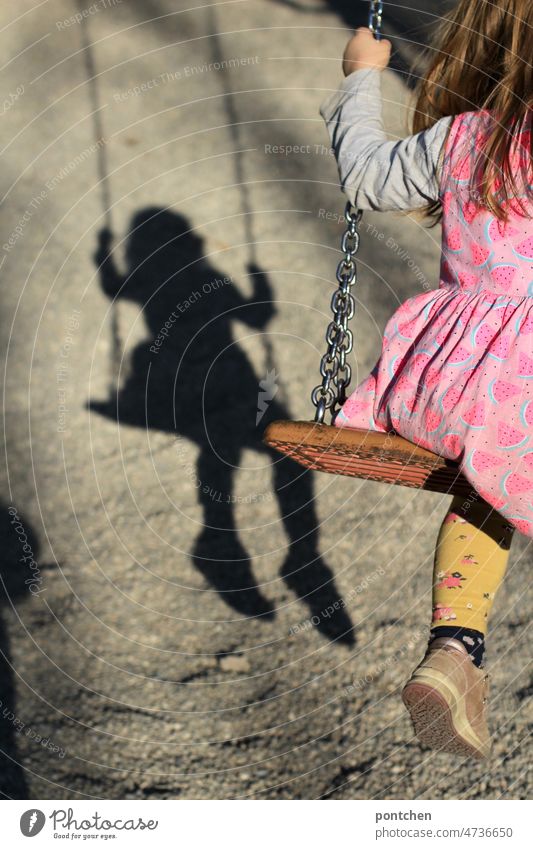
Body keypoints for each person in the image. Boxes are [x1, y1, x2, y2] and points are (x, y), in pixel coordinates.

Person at [319, 0, 532, 758]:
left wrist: (361, 81)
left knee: (491, 477)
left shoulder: (459, 138)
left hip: (439, 384)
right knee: (510, 448)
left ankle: (453, 649)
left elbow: (365, 176)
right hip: (518, 394)